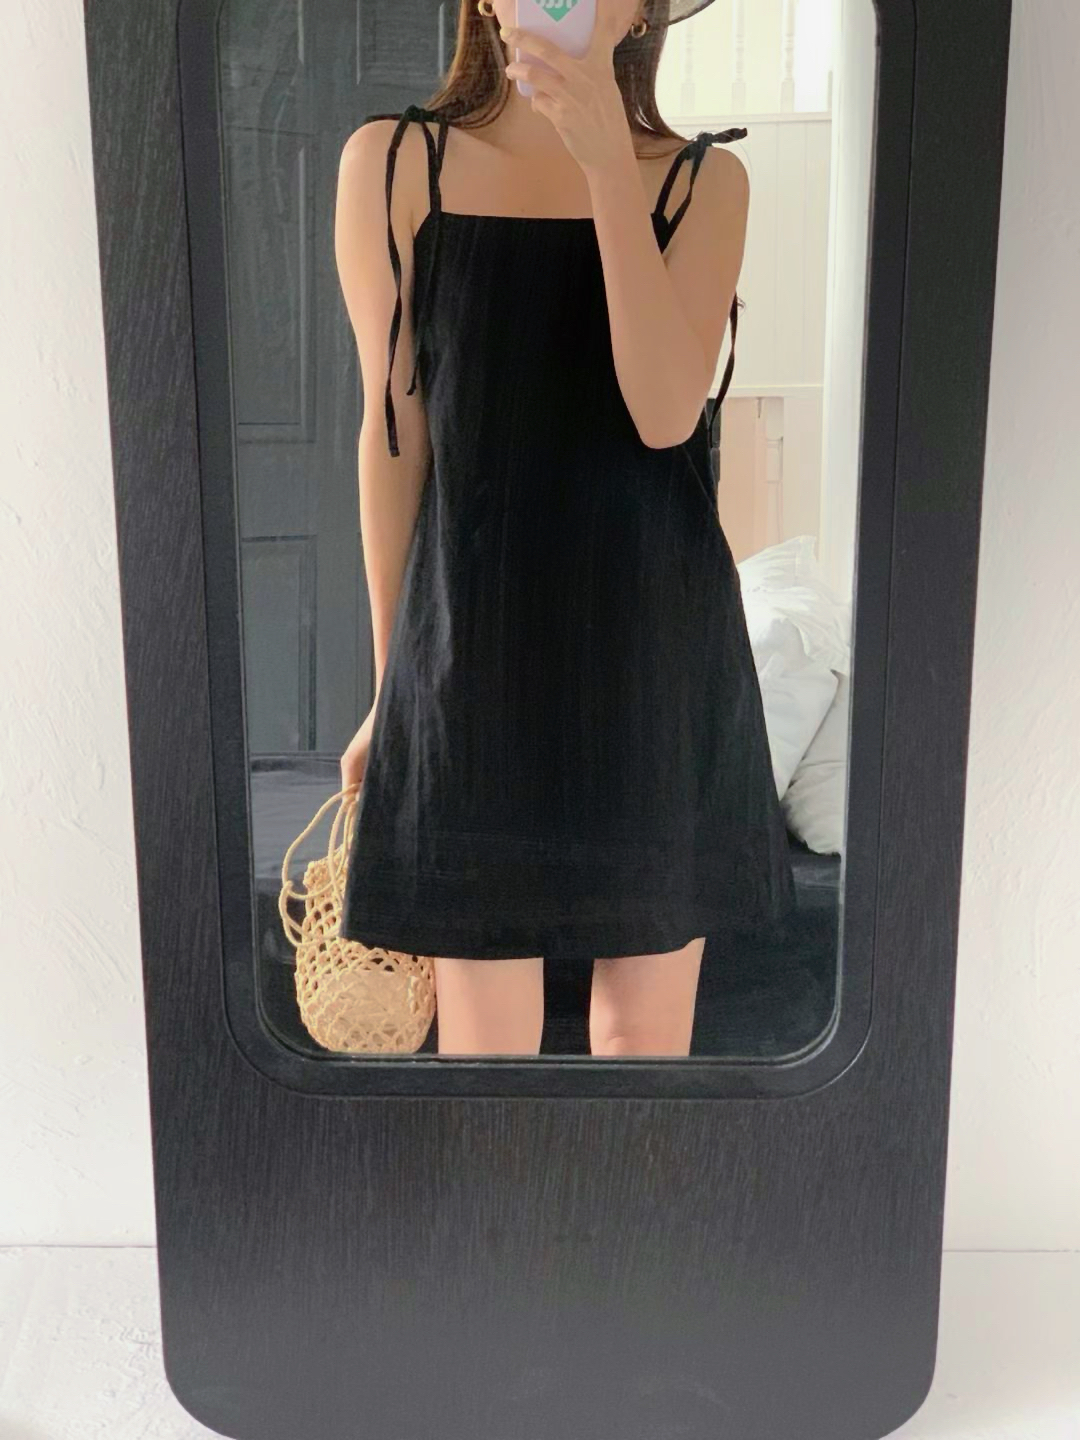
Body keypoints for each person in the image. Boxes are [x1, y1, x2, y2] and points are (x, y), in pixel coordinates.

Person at [332, 0, 796, 1059]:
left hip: (655, 661)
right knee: (486, 1064)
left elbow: (663, 411)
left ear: (642, 11)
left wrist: (605, 168)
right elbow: (393, 433)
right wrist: (394, 691)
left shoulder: (705, 183)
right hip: (477, 658)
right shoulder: (394, 163)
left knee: (642, 1057)